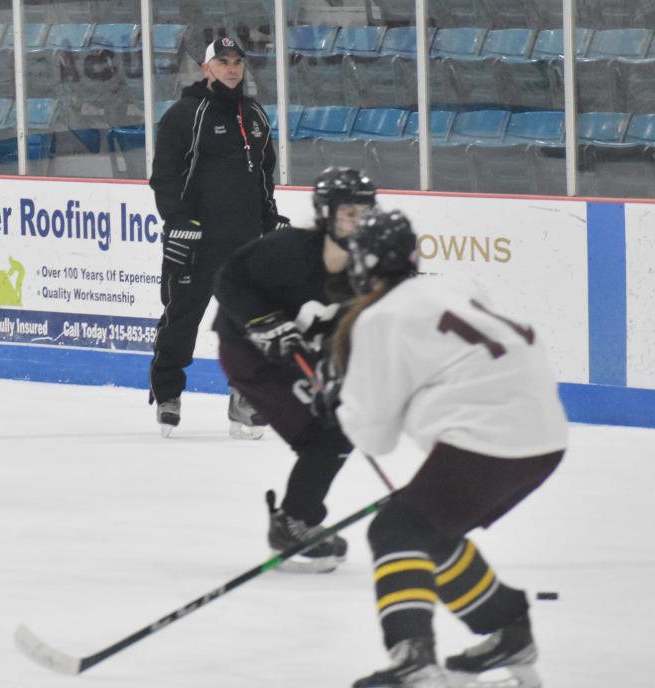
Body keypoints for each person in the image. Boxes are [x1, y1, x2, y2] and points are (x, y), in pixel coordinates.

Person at [323, 208, 565, 688]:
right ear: (414, 253)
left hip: (492, 440)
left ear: (361, 265)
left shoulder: (378, 319)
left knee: (396, 530)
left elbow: (376, 437)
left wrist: (342, 401)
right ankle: (506, 628)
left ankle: (412, 658)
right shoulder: (454, 285)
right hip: (547, 436)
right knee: (429, 531)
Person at [212, 167, 376, 573]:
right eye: (349, 213)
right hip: (249, 354)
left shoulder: (365, 268)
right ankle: (295, 521)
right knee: (325, 435)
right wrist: (264, 322)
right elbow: (228, 279)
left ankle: (296, 520)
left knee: (338, 428)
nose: (359, 222)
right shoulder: (289, 249)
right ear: (326, 213)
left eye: (365, 212)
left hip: (301, 356)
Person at [147, 35, 288, 439]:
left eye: (238, 62)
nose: (232, 68)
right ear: (206, 68)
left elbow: (263, 176)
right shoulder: (184, 115)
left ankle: (243, 400)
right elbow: (165, 178)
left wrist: (269, 220)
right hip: (195, 241)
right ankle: (168, 392)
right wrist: (177, 222)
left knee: (248, 323)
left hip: (244, 244)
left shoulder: (256, 114)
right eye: (223, 61)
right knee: (181, 320)